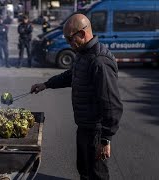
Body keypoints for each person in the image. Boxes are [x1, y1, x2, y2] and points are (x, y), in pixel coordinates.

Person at [30, 14, 123, 180]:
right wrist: (46, 84)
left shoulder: (99, 61)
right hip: (84, 126)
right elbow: (71, 75)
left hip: (96, 130)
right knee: (84, 169)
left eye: (69, 38)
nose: (67, 43)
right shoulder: (83, 53)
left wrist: (106, 139)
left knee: (97, 174)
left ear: (81, 34)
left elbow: (112, 103)